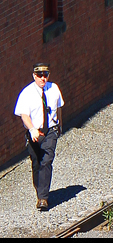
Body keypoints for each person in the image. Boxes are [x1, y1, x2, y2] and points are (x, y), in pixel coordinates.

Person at [14, 63, 63, 211]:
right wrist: (32, 129)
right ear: (34, 76)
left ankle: (43, 198)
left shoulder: (54, 89)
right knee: (36, 163)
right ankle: (39, 190)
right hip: (35, 132)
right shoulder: (27, 93)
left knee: (46, 160)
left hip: (51, 130)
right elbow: (24, 115)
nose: (43, 78)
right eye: (40, 75)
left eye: (45, 75)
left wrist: (60, 126)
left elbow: (59, 108)